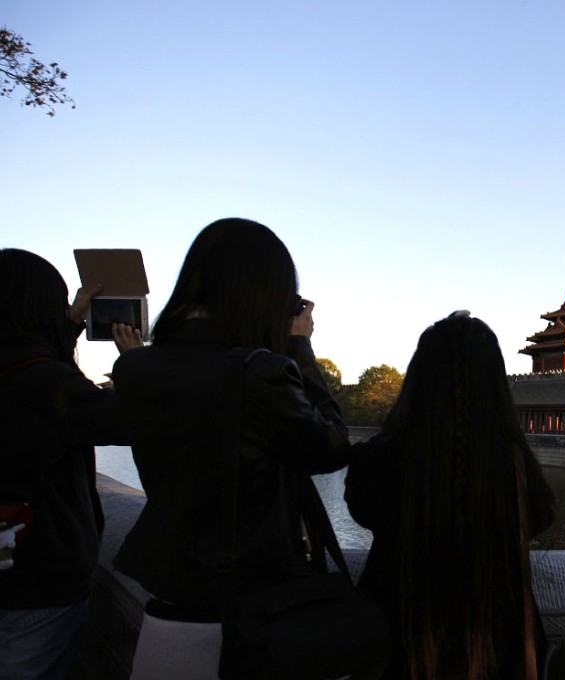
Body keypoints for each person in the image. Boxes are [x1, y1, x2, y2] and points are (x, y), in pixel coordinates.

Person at [111, 218, 356, 680]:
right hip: (252, 610)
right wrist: (300, 347)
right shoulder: (259, 374)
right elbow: (332, 448)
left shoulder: (136, 369)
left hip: (169, 601)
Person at [344, 311, 556, 680]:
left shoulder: (377, 459)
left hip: (397, 642)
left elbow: (361, 508)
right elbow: (541, 517)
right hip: (496, 646)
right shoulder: (514, 466)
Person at [0, 248, 141, 680]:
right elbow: (124, 422)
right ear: (39, 307)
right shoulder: (46, 382)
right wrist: (134, 362)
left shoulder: (22, 372)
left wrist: (67, 326)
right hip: (36, 581)